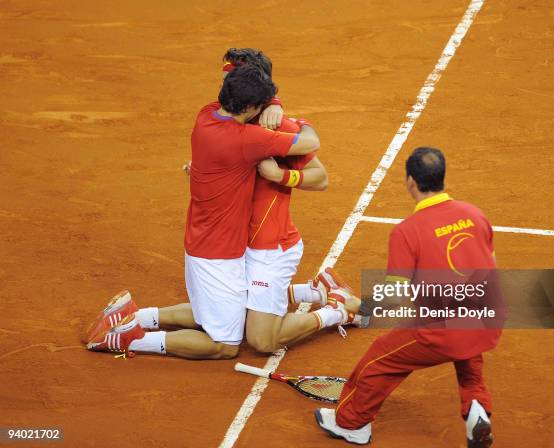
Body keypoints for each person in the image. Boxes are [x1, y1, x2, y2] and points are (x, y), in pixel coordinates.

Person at [86, 64, 321, 359]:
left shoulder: (206, 114)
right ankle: (130, 341)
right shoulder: (248, 140)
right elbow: (311, 142)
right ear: (249, 107)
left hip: (205, 241)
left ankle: (135, 318)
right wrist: (299, 119)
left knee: (221, 313)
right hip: (217, 254)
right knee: (224, 344)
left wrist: (272, 101)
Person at [314, 147, 501, 448]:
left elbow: (393, 296)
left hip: (442, 332)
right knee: (468, 359)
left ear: (410, 181)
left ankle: (352, 424)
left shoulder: (407, 232)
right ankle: (476, 408)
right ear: (441, 177)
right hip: (487, 320)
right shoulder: (474, 215)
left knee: (378, 360)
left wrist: (359, 306)